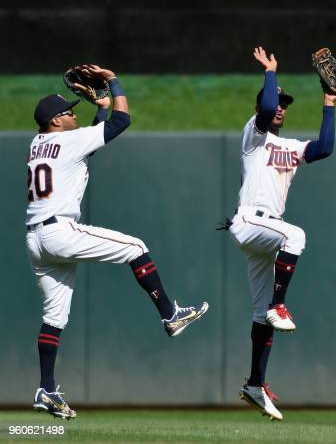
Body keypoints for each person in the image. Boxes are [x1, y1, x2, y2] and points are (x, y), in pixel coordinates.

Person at [27, 65, 208, 419]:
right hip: (59, 232)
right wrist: (112, 82)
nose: (72, 115)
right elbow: (121, 123)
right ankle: (170, 314)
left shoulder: (38, 144)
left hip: (36, 241)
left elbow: (86, 146)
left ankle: (45, 389)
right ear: (54, 122)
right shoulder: (67, 140)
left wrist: (100, 108)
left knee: (54, 316)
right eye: (67, 113)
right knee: (136, 247)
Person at [222, 47, 336, 420]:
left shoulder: (290, 147)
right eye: (276, 103)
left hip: (264, 233)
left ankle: (255, 383)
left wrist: (329, 104)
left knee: (259, 316)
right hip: (251, 221)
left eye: (285, 104)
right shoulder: (252, 138)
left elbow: (324, 148)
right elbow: (266, 103)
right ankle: (279, 304)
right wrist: (270, 74)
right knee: (297, 236)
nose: (280, 107)